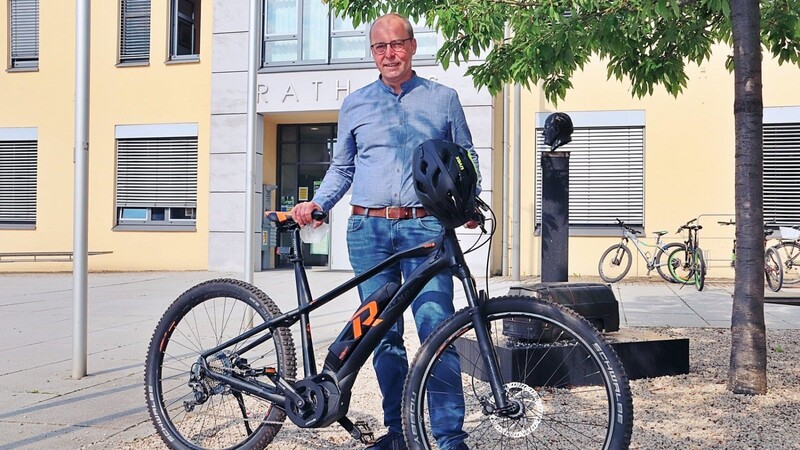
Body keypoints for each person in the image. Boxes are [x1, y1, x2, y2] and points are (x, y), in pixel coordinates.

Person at [290, 12, 481, 450]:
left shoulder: (444, 99)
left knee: (439, 330)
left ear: (412, 47)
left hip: (425, 230)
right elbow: (343, 167)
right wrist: (319, 204)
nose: (389, 54)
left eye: (396, 44)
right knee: (383, 337)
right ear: (372, 53)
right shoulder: (355, 104)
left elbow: (466, 159)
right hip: (368, 232)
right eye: (380, 47)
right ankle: (398, 434)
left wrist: (466, 205)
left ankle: (450, 439)